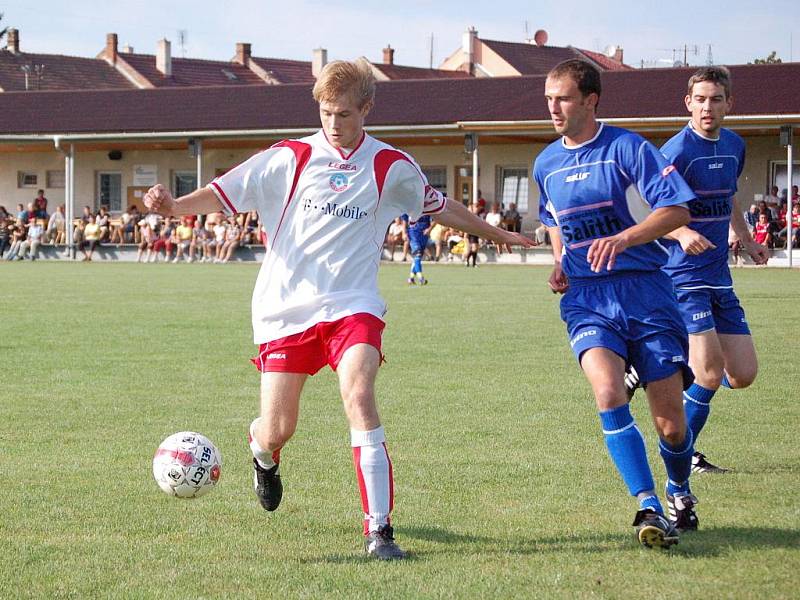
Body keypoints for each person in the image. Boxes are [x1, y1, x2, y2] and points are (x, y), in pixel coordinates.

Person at [143, 58, 533, 561]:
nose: (333, 123)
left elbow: (440, 207)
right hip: (285, 310)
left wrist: (498, 233)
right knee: (278, 427)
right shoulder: (289, 157)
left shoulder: (391, 166)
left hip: (354, 305)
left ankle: (380, 532)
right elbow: (223, 193)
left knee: (359, 393)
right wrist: (173, 207)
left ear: (367, 108)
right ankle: (263, 453)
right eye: (326, 112)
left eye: (344, 114)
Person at [534, 59, 698, 548]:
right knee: (607, 391)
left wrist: (625, 239)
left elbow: (676, 209)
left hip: (647, 291)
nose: (554, 108)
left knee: (670, 423)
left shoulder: (628, 149)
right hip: (587, 298)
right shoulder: (546, 163)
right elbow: (554, 220)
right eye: (548, 99)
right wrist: (559, 260)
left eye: (562, 98)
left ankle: (679, 489)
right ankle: (647, 503)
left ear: (590, 100)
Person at [647, 66, 769, 475]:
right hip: (683, 277)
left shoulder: (734, 145)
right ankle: (683, 456)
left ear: (729, 104)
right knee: (712, 373)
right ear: (688, 103)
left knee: (744, 373)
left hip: (720, 276)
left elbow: (730, 198)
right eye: (699, 99)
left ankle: (667, 374)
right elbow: (650, 208)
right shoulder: (676, 151)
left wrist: (747, 239)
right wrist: (680, 232)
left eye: (715, 99)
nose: (707, 107)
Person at [405, 212, 432, 285]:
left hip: (424, 234)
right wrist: (404, 233)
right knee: (417, 254)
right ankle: (421, 278)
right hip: (413, 233)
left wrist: (429, 229)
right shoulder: (409, 206)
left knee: (418, 257)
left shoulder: (428, 205)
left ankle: (411, 278)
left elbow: (436, 219)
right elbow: (404, 220)